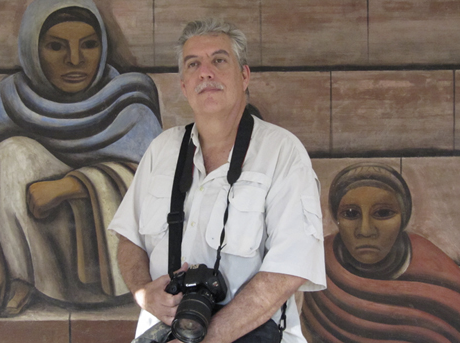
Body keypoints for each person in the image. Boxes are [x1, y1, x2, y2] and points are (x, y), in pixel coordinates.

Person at [108, 18, 326, 343]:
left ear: (244, 75)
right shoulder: (161, 150)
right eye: (193, 64)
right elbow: (129, 241)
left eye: (219, 60)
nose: (205, 72)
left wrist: (210, 337)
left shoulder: (282, 152)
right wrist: (144, 292)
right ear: (183, 85)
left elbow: (287, 270)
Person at [0, 0, 162, 317]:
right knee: (12, 153)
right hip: (38, 261)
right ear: (33, 49)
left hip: (116, 268)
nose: (75, 60)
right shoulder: (7, 100)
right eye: (56, 46)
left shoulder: (129, 99)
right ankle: (24, 277)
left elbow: (154, 184)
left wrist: (69, 186)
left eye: (89, 45)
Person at [301, 162, 460, 342]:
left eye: (383, 213)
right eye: (351, 213)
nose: (365, 230)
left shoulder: (435, 268)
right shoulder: (320, 264)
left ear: (403, 218)